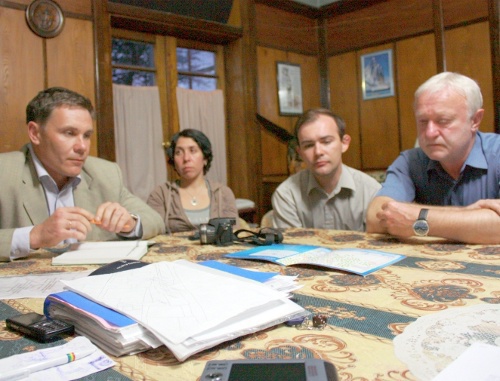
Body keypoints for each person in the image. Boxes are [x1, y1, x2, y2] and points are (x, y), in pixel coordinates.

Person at [0, 87, 165, 261]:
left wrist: (129, 224)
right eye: (69, 133)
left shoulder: (105, 172)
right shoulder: (5, 172)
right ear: (35, 133)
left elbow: (155, 221)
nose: (82, 147)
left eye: (86, 135)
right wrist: (34, 236)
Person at [366, 72, 500, 244]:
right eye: (423, 121)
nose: (429, 133)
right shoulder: (410, 161)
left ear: (475, 120)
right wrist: (467, 214)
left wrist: (416, 218)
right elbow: (374, 218)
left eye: (443, 121)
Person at [271, 108, 381, 231]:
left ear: (344, 143)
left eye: (326, 142)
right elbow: (290, 248)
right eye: (308, 145)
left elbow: (378, 247)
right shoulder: (287, 194)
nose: (318, 152)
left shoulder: (371, 191)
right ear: (300, 152)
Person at [147, 129, 239, 234]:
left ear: (205, 158)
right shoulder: (161, 194)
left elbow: (233, 234)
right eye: (179, 152)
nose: (186, 158)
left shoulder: (222, 193)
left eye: (193, 150)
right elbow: (153, 233)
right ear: (173, 160)